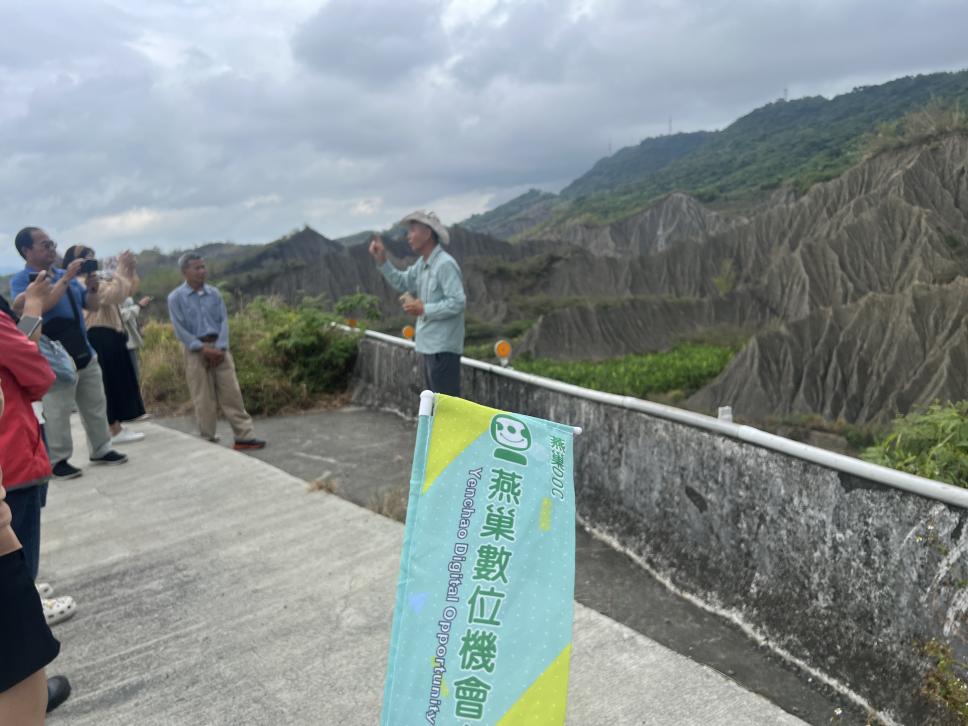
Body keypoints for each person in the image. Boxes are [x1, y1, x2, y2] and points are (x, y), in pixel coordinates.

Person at [10, 228, 128, 479]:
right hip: (53, 358)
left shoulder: (66, 276)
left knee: (95, 404)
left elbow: (91, 305)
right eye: (45, 245)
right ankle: (59, 460)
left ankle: (102, 448)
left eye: (52, 244)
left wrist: (92, 289)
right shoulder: (23, 281)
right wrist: (66, 278)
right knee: (58, 411)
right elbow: (41, 305)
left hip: (84, 349)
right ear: (26, 251)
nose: (52, 249)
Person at [167, 253, 266, 450]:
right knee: (203, 397)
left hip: (220, 350)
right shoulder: (175, 298)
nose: (202, 271)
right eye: (197, 268)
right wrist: (201, 348)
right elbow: (180, 329)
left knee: (232, 394)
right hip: (195, 352)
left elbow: (224, 321)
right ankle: (208, 438)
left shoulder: (214, 293)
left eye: (203, 267)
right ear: (185, 271)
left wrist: (220, 348)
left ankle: (244, 436)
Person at [369, 210, 466, 397]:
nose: (408, 236)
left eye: (412, 230)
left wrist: (423, 309)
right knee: (435, 404)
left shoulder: (444, 264)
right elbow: (403, 282)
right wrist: (382, 260)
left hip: (443, 350)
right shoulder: (423, 264)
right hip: (431, 348)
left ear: (427, 233)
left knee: (443, 406)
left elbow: (458, 302)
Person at [62, 246, 146, 445]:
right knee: (107, 384)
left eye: (92, 257)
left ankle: (116, 426)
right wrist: (120, 269)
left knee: (116, 382)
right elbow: (114, 294)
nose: (90, 261)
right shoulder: (79, 282)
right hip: (97, 334)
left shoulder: (96, 279)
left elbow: (128, 290)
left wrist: (128, 269)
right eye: (85, 258)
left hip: (110, 335)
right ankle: (112, 430)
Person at [120, 294, 151, 380]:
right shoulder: (109, 295)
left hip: (130, 342)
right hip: (123, 343)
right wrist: (139, 306)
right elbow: (120, 315)